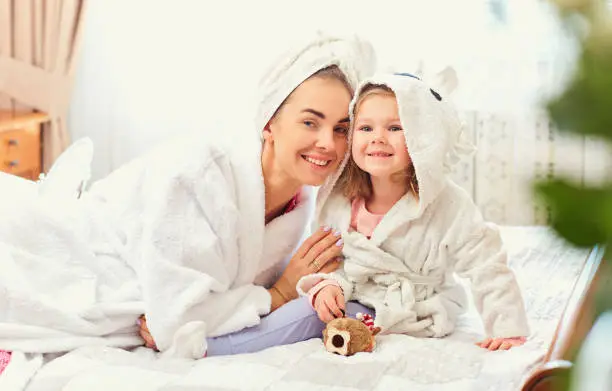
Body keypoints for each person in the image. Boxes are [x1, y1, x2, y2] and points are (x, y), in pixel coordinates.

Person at [0, 33, 376, 364]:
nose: (328, 143)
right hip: (69, 251)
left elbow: (198, 302)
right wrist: (276, 294)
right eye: (310, 122)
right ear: (269, 123)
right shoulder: (198, 175)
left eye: (341, 128)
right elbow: (176, 319)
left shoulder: (305, 202)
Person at [297, 72, 530, 351]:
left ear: (423, 137)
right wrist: (328, 286)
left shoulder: (448, 205)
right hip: (353, 300)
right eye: (366, 128)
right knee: (304, 313)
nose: (378, 138)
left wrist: (508, 329)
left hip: (418, 309)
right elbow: (332, 264)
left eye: (395, 128)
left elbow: (486, 264)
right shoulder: (337, 199)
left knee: (299, 320)